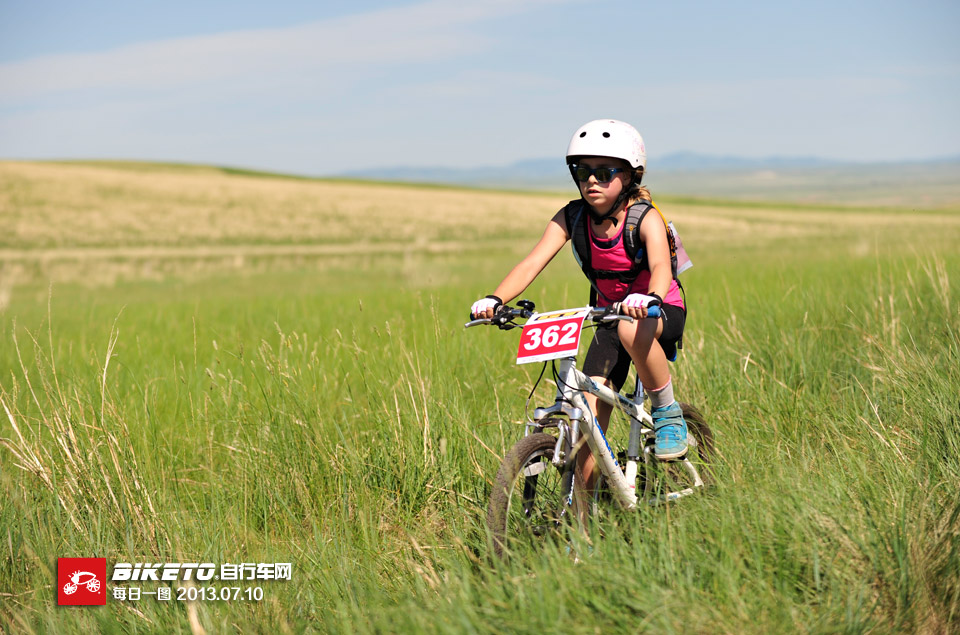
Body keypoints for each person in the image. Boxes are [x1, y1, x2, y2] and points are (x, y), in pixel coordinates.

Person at [470, 119, 688, 484]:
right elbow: (532, 262)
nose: (591, 181)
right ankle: (581, 532)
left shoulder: (644, 218)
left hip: (657, 310)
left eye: (604, 172)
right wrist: (495, 299)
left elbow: (662, 268)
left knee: (631, 327)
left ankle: (667, 411)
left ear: (630, 176)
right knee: (586, 421)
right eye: (582, 172)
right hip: (608, 316)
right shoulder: (572, 217)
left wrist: (648, 297)